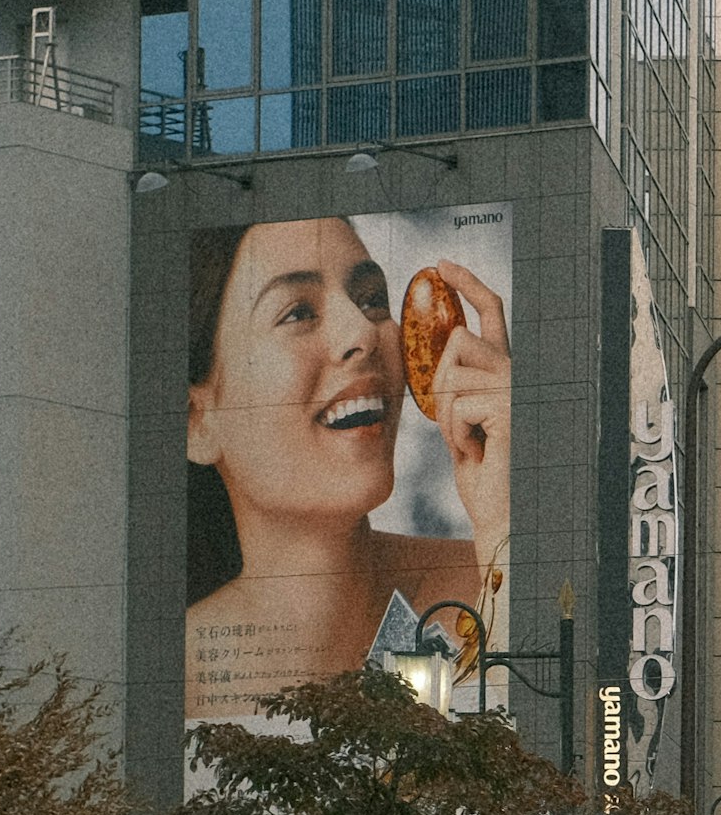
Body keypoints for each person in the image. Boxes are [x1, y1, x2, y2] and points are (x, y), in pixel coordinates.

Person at [183, 216, 511, 729]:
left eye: (372, 298)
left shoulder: (499, 575)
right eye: (297, 312)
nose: (364, 332)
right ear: (197, 421)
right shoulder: (172, 681)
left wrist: (502, 520)